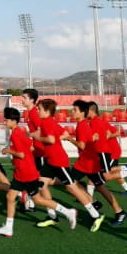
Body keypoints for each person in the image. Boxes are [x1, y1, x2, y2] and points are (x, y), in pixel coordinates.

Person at [0, 107, 76, 237]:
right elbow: (30, 147)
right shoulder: (20, 131)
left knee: (38, 200)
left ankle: (68, 212)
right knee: (11, 197)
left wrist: (8, 151)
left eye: (6, 120)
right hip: (23, 172)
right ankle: (8, 228)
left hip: (25, 174)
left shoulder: (15, 134)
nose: (4, 122)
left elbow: (21, 155)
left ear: (13, 121)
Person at [31, 99, 103, 232]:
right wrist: (64, 136)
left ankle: (96, 215)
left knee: (73, 189)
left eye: (39, 109)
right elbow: (63, 132)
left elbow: (52, 139)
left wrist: (37, 137)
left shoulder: (47, 122)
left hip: (59, 162)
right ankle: (52, 216)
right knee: (42, 185)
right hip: (50, 161)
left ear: (46, 111)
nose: (37, 111)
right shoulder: (50, 121)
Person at [86, 101, 127, 201]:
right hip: (107, 151)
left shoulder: (100, 122)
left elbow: (116, 133)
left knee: (105, 175)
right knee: (102, 174)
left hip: (112, 152)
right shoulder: (94, 122)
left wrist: (108, 136)